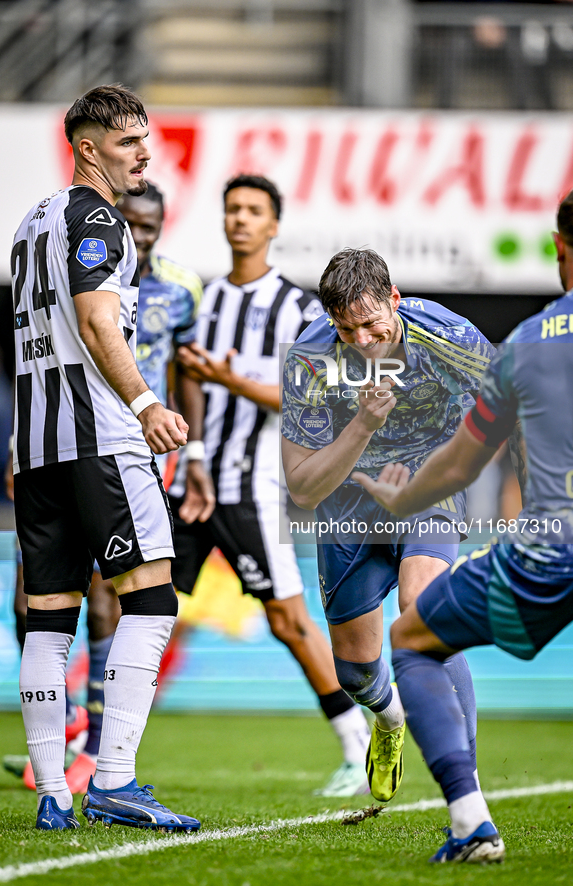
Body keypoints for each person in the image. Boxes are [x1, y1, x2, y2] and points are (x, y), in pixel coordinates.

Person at [351, 188, 573, 862]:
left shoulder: (525, 344)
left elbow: (455, 466)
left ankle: (469, 820)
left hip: (551, 549)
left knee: (413, 639)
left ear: (559, 249)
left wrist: (401, 498)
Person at [11, 84, 199, 832]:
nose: (143, 154)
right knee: (151, 595)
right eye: (127, 142)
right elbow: (96, 323)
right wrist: (148, 403)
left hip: (38, 451)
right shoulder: (98, 219)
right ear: (88, 148)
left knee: (49, 617)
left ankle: (54, 791)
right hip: (99, 440)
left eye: (145, 140)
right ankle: (116, 780)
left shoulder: (32, 221)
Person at [171, 174, 372, 797]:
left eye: (254, 210)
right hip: (193, 480)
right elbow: (188, 378)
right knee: (143, 609)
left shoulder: (298, 309)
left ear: (274, 224)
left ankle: (355, 746)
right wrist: (196, 451)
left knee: (287, 619)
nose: (241, 219)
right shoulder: (203, 301)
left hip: (252, 488)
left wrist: (231, 382)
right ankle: (96, 749)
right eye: (232, 208)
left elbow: (307, 395)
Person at [281, 247, 494, 803]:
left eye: (372, 324)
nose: (362, 341)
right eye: (346, 329)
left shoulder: (450, 337)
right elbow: (303, 488)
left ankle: (464, 789)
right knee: (354, 673)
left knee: (422, 608)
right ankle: (390, 717)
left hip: (428, 488)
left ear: (395, 302)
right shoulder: (310, 358)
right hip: (347, 506)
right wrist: (363, 426)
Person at [60, 181, 208, 793]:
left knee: (127, 591)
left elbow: (186, 366)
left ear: (162, 224)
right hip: (86, 436)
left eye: (151, 226)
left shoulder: (181, 287)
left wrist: (194, 449)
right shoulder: (92, 260)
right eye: (134, 224)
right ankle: (83, 735)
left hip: (149, 447)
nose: (141, 235)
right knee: (68, 593)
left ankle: (94, 747)